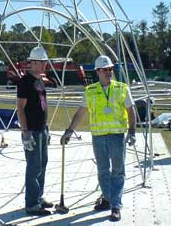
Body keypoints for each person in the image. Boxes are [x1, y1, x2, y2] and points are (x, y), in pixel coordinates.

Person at [61, 55, 136, 222]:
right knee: (103, 170)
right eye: (105, 70)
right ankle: (108, 198)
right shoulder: (90, 91)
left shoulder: (122, 88)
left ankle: (115, 205)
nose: (109, 72)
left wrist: (132, 131)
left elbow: (131, 110)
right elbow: (81, 112)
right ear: (98, 72)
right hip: (98, 137)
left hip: (116, 136)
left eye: (110, 69)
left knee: (118, 171)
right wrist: (69, 131)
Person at [16, 46, 53, 216]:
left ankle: (38, 196)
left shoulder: (39, 81)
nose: (45, 65)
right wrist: (25, 132)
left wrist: (47, 128)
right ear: (34, 62)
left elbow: (42, 106)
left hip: (42, 129)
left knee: (42, 164)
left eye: (45, 62)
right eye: (42, 62)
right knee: (33, 166)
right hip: (32, 130)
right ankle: (31, 204)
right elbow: (20, 108)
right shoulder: (25, 82)